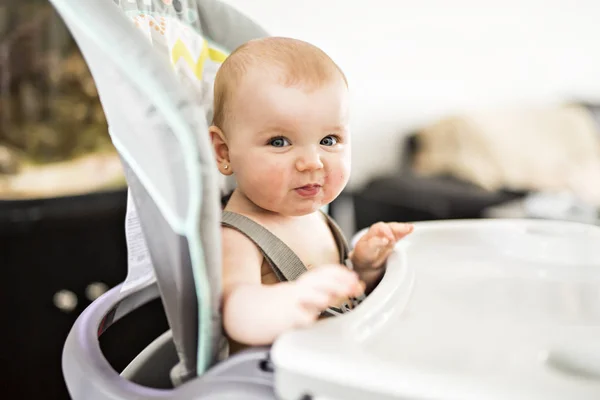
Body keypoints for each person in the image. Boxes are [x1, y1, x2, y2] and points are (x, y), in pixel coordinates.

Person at [209, 36, 413, 354]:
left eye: (329, 140)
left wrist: (362, 271)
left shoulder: (311, 213)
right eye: (279, 142)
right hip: (278, 382)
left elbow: (338, 304)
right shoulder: (235, 236)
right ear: (224, 152)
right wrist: (293, 300)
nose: (312, 162)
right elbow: (236, 312)